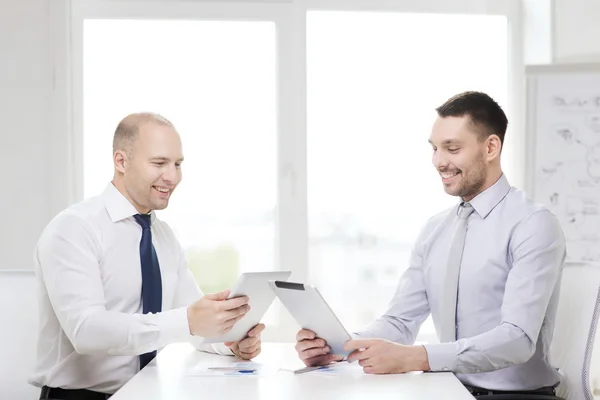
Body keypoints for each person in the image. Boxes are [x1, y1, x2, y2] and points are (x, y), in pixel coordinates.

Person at [294, 91, 566, 397]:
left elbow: (517, 339)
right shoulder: (436, 229)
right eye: (435, 149)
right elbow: (400, 321)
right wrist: (342, 346)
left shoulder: (533, 224)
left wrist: (416, 357)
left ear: (491, 147)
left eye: (451, 148)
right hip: (447, 390)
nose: (439, 162)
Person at [31, 113, 264, 399]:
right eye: (159, 163)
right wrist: (188, 321)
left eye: (177, 164)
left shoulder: (162, 236)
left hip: (150, 392)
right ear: (121, 162)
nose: (173, 176)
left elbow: (193, 321)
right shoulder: (74, 229)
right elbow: (86, 330)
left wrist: (228, 341)